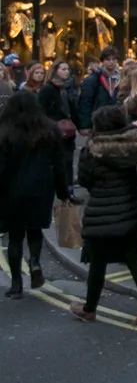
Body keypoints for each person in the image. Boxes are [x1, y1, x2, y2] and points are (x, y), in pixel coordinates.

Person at [71, 105, 137, 326]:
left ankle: (90, 309)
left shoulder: (91, 149)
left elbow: (84, 180)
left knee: (98, 263)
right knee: (135, 261)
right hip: (130, 212)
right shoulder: (134, 144)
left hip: (100, 214)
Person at [0, 91, 69, 298]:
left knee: (14, 236)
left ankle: (16, 284)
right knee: (34, 228)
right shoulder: (49, 129)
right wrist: (63, 191)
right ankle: (36, 262)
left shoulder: (4, 131)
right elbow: (60, 164)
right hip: (41, 189)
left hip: (10, 190)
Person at [39, 60, 77, 171]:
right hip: (54, 131)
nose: (66, 72)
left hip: (68, 132)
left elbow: (73, 109)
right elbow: (41, 110)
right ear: (55, 71)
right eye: (63, 69)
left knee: (68, 162)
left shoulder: (69, 87)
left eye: (67, 69)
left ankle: (68, 186)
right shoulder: (47, 89)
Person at [77, 46, 121, 134]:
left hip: (117, 120)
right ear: (102, 61)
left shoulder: (121, 78)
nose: (111, 62)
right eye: (108, 59)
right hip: (98, 120)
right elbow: (85, 102)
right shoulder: (93, 79)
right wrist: (85, 125)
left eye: (114, 59)